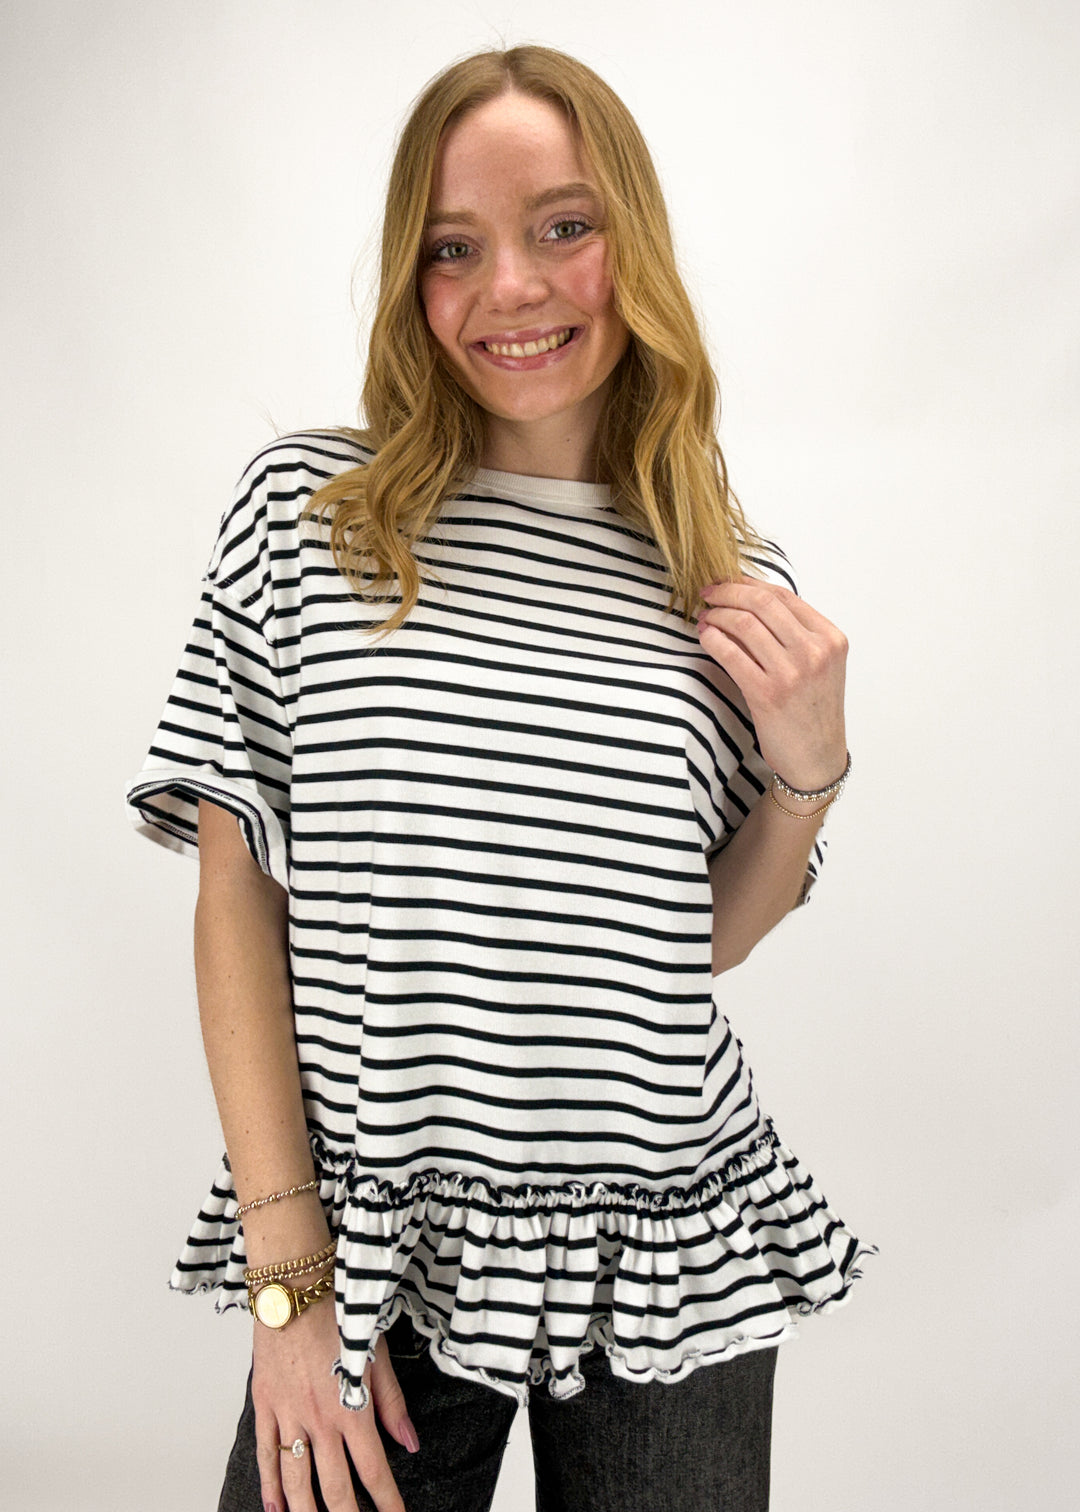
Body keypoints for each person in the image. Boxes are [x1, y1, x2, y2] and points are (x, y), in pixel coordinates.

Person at [124, 44, 876, 1512]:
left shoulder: (726, 585)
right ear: (412, 281)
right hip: (375, 1256)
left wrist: (808, 775)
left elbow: (695, 941)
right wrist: (289, 1296)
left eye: (562, 227)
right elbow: (237, 894)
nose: (512, 289)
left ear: (632, 249)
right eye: (453, 248)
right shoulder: (307, 518)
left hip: (671, 1246)